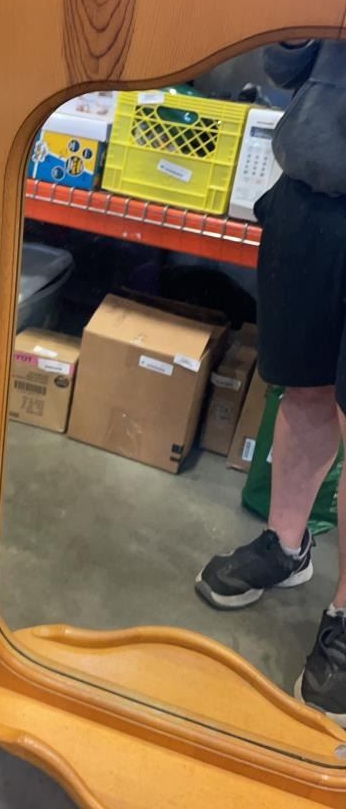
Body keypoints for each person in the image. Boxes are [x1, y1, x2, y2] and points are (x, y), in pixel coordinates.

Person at [196, 39, 346, 725]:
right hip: (310, 198)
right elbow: (284, 70)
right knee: (303, 389)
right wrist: (295, 35)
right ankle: (287, 546)